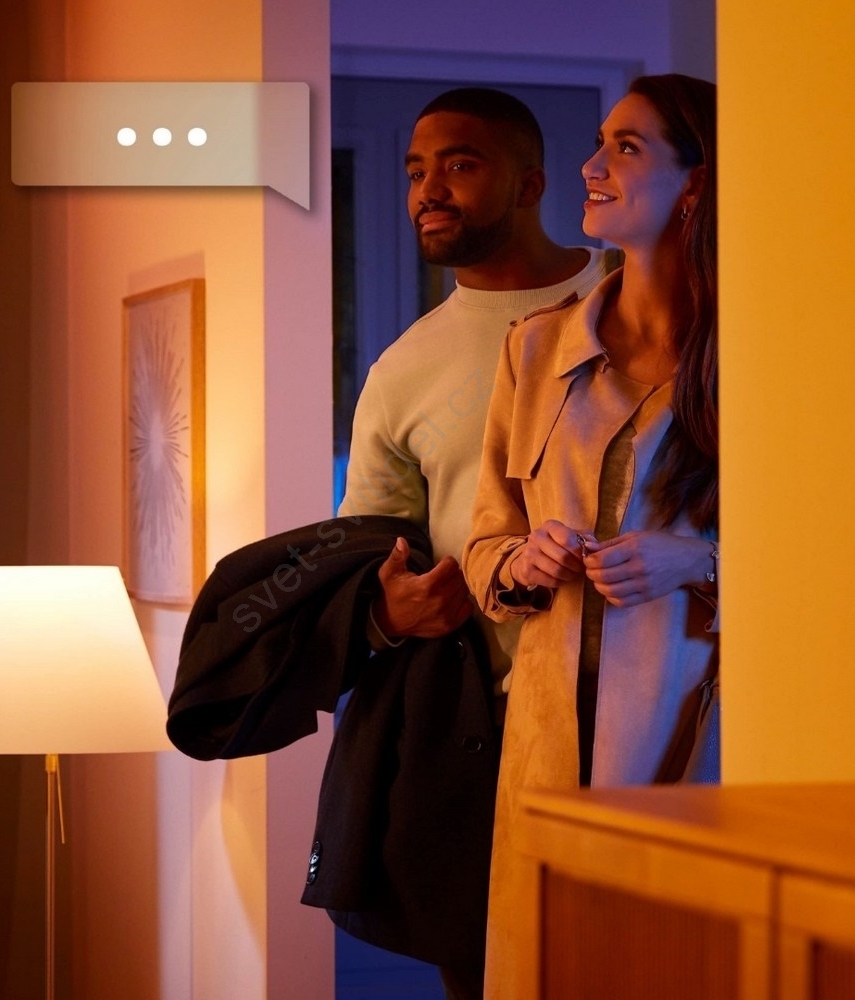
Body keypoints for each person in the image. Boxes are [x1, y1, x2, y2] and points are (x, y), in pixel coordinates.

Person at [337, 88, 621, 1000]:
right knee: (487, 975)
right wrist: (389, 609)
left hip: (639, 698)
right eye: (416, 170)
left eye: (459, 164)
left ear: (531, 184)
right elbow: (369, 551)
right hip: (482, 719)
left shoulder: (637, 304)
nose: (429, 190)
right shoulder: (401, 371)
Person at [461, 74, 718, 996]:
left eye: (627, 147)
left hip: (691, 734)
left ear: (694, 186)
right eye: (601, 142)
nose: (591, 165)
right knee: (544, 967)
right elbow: (486, 540)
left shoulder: (761, 355)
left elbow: (825, 560)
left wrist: (701, 559)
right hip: (544, 743)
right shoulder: (533, 349)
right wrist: (520, 560)